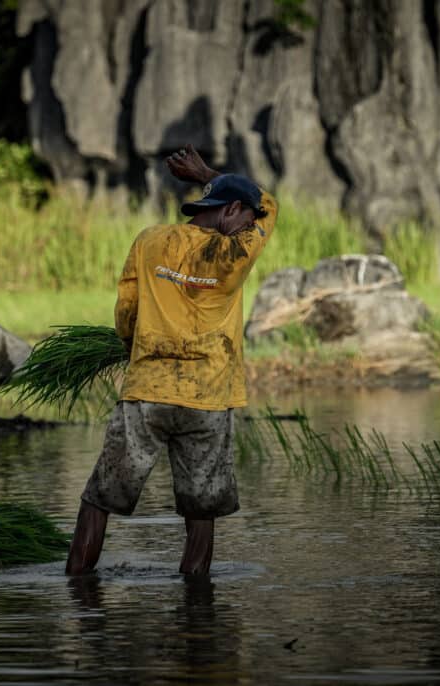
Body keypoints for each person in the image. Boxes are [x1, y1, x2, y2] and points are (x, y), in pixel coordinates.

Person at [65, 145, 278, 576]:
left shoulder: (149, 241)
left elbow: (126, 311)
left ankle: (77, 586)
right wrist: (207, 173)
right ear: (232, 209)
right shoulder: (237, 254)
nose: (251, 224)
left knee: (100, 497)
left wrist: (132, 351)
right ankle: (196, 605)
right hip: (209, 398)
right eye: (246, 217)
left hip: (148, 391)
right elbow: (269, 205)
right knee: (201, 510)